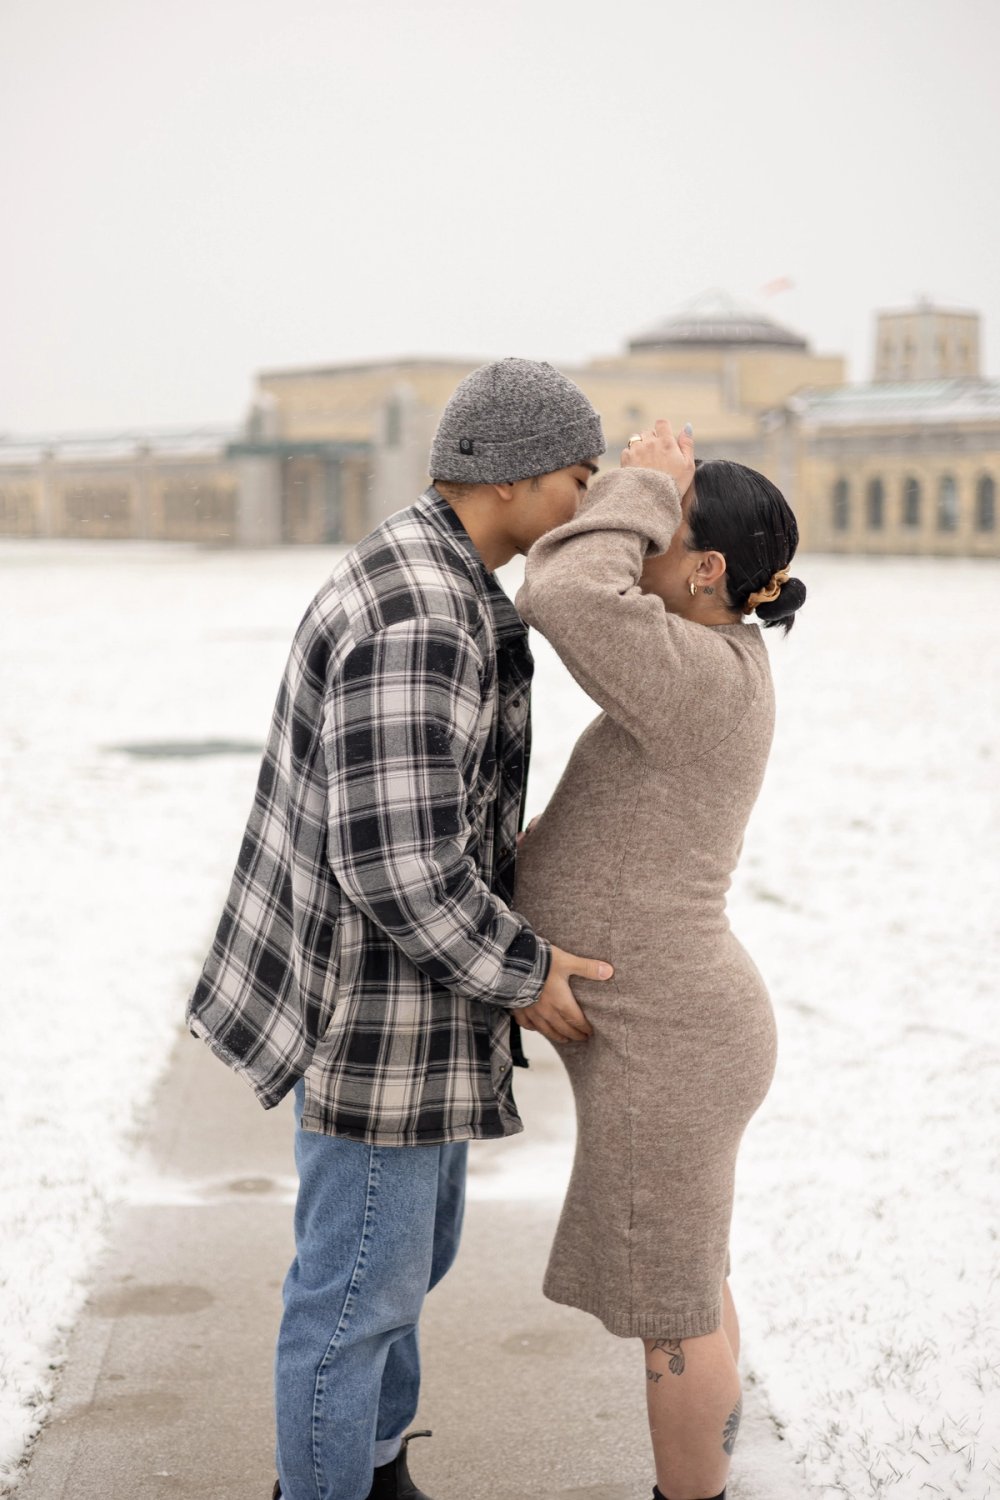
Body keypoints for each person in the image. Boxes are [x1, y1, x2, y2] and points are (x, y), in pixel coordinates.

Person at [186, 357, 615, 1500]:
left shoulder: (435, 573)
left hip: (410, 1001)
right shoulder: (420, 609)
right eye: (578, 477)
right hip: (375, 1011)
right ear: (515, 477)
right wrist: (525, 972)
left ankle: (371, 1470)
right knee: (352, 1300)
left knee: (402, 1267)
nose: (583, 502)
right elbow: (397, 862)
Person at [512, 420, 806, 1500]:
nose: (634, 548)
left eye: (658, 533)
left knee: (670, 1321)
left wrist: (640, 481)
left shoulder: (700, 675)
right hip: (679, 1037)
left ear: (707, 570)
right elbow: (583, 585)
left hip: (673, 1049)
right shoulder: (707, 663)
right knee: (690, 1287)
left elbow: (563, 594)